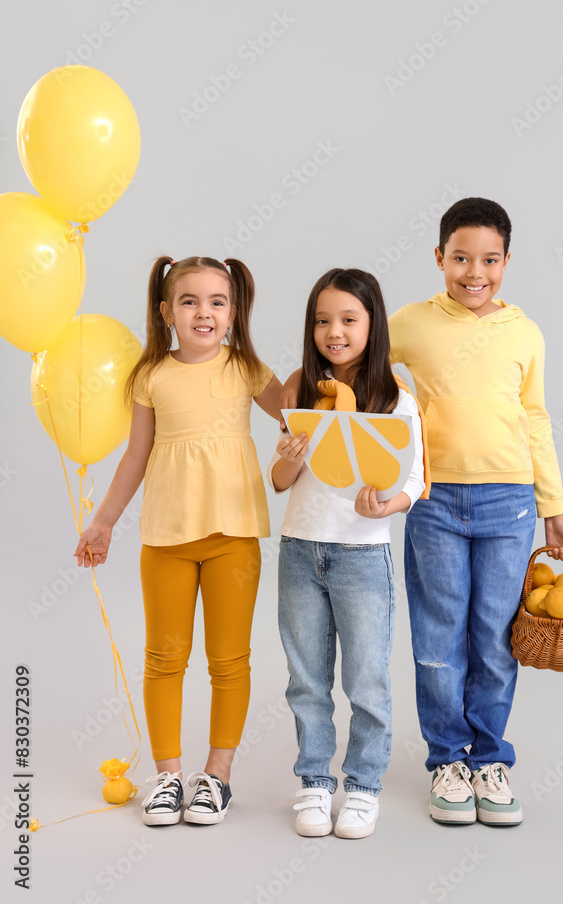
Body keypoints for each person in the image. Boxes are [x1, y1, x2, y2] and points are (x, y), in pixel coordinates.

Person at [387, 196, 563, 826]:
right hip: (433, 498)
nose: (476, 272)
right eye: (461, 258)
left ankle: (490, 759)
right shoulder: (412, 323)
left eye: (490, 259)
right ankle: (447, 759)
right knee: (439, 634)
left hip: (510, 502)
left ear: (506, 261)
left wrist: (552, 507)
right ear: (439, 258)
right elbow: (358, 367)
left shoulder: (524, 331)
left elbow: (535, 416)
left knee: (496, 637)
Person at [74, 256, 283, 827]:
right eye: (189, 301)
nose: (204, 312)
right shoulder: (150, 375)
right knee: (164, 659)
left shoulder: (246, 368)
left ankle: (216, 777)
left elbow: (298, 412)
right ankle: (167, 776)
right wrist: (104, 521)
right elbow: (135, 456)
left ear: (234, 312)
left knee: (229, 660)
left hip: (233, 539)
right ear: (166, 312)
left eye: (218, 302)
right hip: (165, 538)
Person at [268, 268, 427, 840]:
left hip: (362, 555)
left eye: (348, 320)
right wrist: (290, 452)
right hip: (300, 550)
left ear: (372, 325)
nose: (334, 332)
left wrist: (387, 508)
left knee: (366, 679)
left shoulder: (395, 398)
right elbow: (281, 480)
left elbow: (415, 478)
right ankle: (314, 781)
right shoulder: (301, 390)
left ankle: (362, 788)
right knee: (306, 678)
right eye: (322, 321)